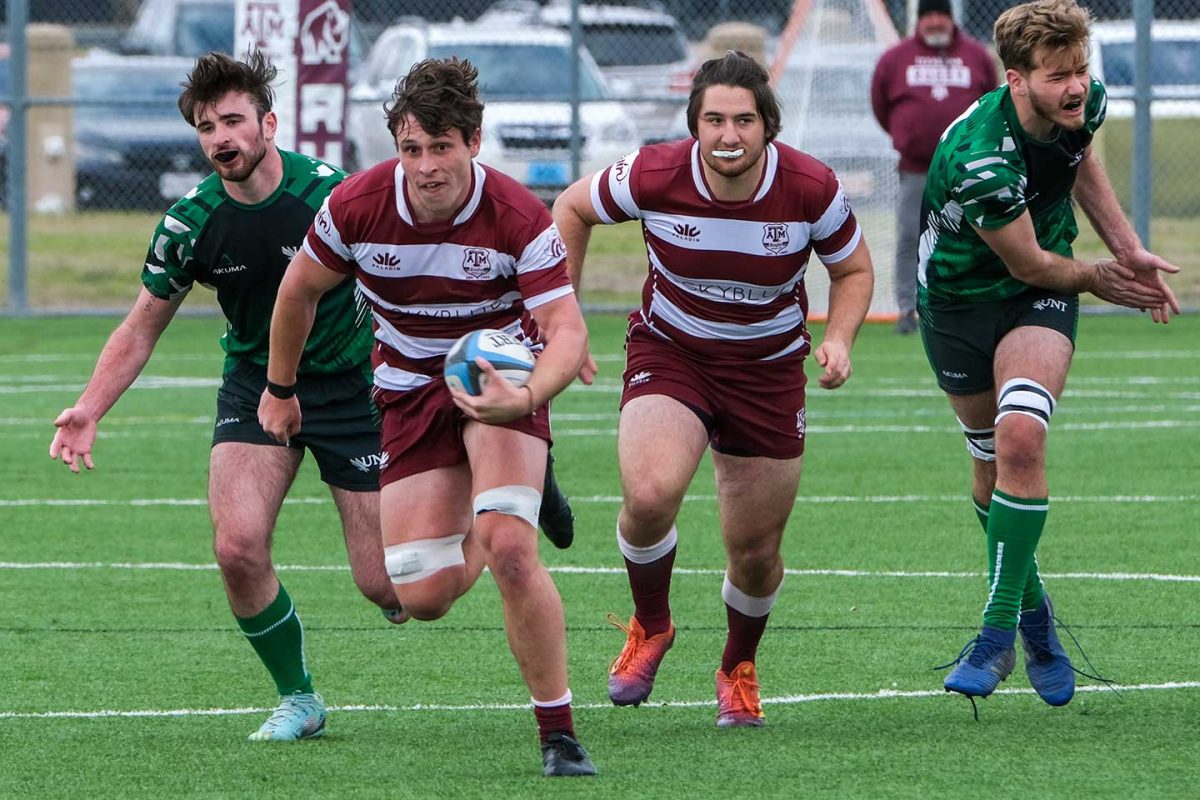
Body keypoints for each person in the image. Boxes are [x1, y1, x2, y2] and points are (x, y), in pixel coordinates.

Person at [48, 51, 408, 741]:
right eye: (206, 126)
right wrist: (90, 407)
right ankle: (299, 698)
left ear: (268, 123)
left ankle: (501, 507)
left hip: (349, 388)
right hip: (253, 386)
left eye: (234, 120)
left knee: (388, 588)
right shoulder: (192, 221)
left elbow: (405, 271)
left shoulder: (332, 197)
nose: (221, 137)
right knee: (237, 546)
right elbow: (141, 324)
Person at [258, 57, 596, 777]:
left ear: (474, 141)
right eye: (412, 149)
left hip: (499, 378)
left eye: (442, 147)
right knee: (420, 592)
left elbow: (566, 331)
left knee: (509, 550)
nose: (427, 166)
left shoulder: (516, 213)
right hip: (409, 390)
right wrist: (279, 388)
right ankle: (520, 495)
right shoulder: (356, 206)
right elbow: (297, 293)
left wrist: (529, 398)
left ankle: (559, 734)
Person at [553, 50, 875, 727]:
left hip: (768, 372)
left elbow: (854, 271)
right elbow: (571, 208)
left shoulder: (811, 187)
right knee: (647, 497)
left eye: (744, 120)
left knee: (755, 555)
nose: (728, 135)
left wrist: (840, 337)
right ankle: (652, 624)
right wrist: (566, 316)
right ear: (695, 125)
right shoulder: (654, 172)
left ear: (768, 127)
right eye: (713, 120)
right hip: (674, 354)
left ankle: (737, 666)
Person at [918, 0, 1180, 707]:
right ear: (1015, 79)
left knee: (1022, 438)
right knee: (987, 466)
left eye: (1080, 69)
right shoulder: (981, 157)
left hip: (1037, 296)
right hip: (959, 305)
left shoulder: (1085, 102)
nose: (1076, 86)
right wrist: (1104, 278)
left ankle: (996, 633)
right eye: (1057, 74)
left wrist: (1126, 249)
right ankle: (1036, 622)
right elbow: (1032, 262)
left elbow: (1080, 156)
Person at [871, 0, 997, 334]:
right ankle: (907, 309)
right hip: (917, 168)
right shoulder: (895, 58)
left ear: (951, 19)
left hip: (966, 166)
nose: (935, 22)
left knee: (975, 232)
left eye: (941, 15)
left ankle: (971, 302)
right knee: (911, 235)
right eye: (929, 16)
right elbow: (881, 106)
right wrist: (909, 136)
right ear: (919, 20)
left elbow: (991, 104)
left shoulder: (976, 56)